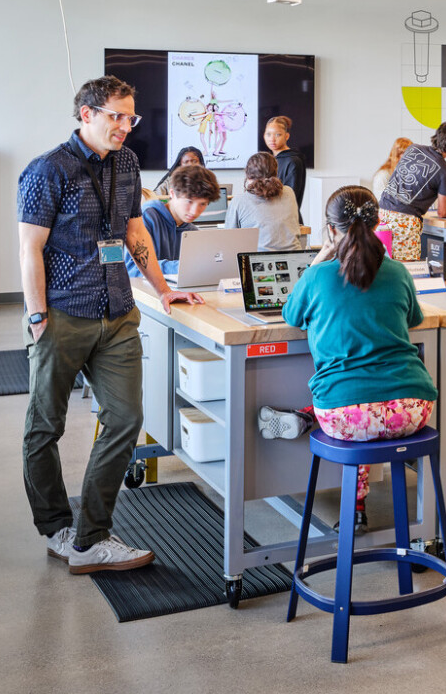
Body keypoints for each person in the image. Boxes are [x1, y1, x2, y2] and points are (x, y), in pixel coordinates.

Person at [18, 75, 202, 574]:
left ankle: (91, 536)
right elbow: (30, 247)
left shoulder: (127, 163)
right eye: (116, 116)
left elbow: (133, 228)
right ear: (87, 114)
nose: (125, 126)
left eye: (131, 116)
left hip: (119, 311)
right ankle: (56, 526)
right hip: (62, 314)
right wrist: (38, 318)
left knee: (125, 420)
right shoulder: (46, 171)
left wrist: (162, 288)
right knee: (44, 427)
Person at [278, 186, 437, 520]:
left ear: (330, 229)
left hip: (347, 416)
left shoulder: (319, 276)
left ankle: (309, 417)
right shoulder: (397, 272)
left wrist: (319, 258)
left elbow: (291, 315)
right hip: (412, 410)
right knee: (367, 403)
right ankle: (385, 513)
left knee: (355, 405)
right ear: (378, 222)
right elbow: (414, 320)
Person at [380, 122, 446, 261]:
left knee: (383, 264)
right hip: (405, 221)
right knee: (406, 269)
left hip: (382, 213)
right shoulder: (445, 172)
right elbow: (443, 212)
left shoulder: (413, 148)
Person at [225, 151, 306, 250]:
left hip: (258, 262)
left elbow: (229, 240)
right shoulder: (289, 193)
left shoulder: (239, 201)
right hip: (295, 259)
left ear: (248, 175)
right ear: (276, 172)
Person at [141, 164, 219, 264]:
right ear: (172, 194)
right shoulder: (146, 217)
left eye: (202, 204)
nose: (194, 211)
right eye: (189, 201)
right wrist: (185, 268)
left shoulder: (192, 231)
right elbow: (134, 268)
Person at [264, 115, 307, 204]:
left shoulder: (293, 161)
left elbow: (290, 198)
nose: (272, 139)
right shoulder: (271, 160)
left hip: (287, 216)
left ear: (286, 136)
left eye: (277, 135)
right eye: (268, 134)